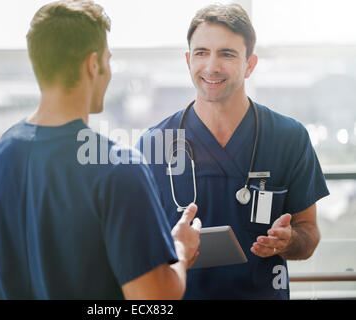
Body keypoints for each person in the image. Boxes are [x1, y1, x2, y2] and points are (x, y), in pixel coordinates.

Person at [0, 0, 201, 300]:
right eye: (108, 59)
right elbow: (152, 301)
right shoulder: (119, 168)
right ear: (94, 65)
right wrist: (181, 249)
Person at [136, 3, 329, 299]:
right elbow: (136, 247)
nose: (211, 66)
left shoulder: (289, 138)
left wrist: (289, 241)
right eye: (201, 53)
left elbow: (309, 233)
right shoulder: (152, 145)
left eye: (226, 54)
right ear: (188, 61)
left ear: (249, 64)